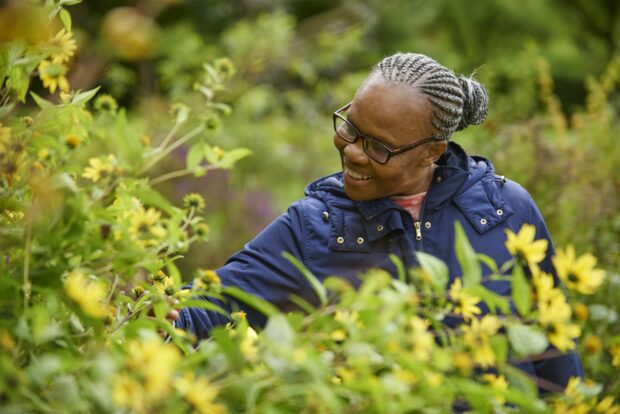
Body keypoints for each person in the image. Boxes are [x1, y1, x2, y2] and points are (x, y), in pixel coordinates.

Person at [174, 52, 583, 391]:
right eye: (350, 127)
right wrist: (156, 316)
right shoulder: (315, 227)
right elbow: (212, 305)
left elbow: (554, 346)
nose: (352, 152)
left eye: (378, 147)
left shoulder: (507, 210)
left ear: (432, 151)